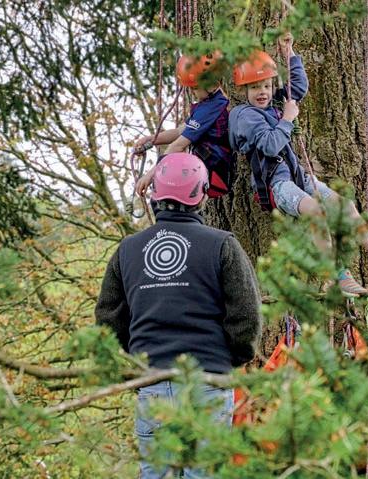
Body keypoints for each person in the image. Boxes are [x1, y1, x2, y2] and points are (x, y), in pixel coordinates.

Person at [95, 152, 263, 478]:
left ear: (155, 194)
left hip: (153, 383)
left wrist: (136, 367)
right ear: (202, 195)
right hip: (208, 380)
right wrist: (231, 358)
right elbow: (246, 316)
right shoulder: (222, 245)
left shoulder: (127, 250)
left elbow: (107, 322)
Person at [228, 34, 368, 297]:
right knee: (316, 211)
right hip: (275, 184)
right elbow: (270, 145)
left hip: (298, 177)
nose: (263, 92)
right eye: (255, 87)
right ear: (243, 91)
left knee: (344, 205)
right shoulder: (245, 116)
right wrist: (287, 119)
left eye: (267, 86)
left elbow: (298, 87)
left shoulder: (274, 104)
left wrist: (290, 53)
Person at [134, 52, 234, 199]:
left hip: (216, 173)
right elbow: (180, 131)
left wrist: (150, 175)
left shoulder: (211, 108)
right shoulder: (208, 104)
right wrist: (151, 140)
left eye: (195, 88)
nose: (192, 92)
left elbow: (177, 146)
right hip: (211, 171)